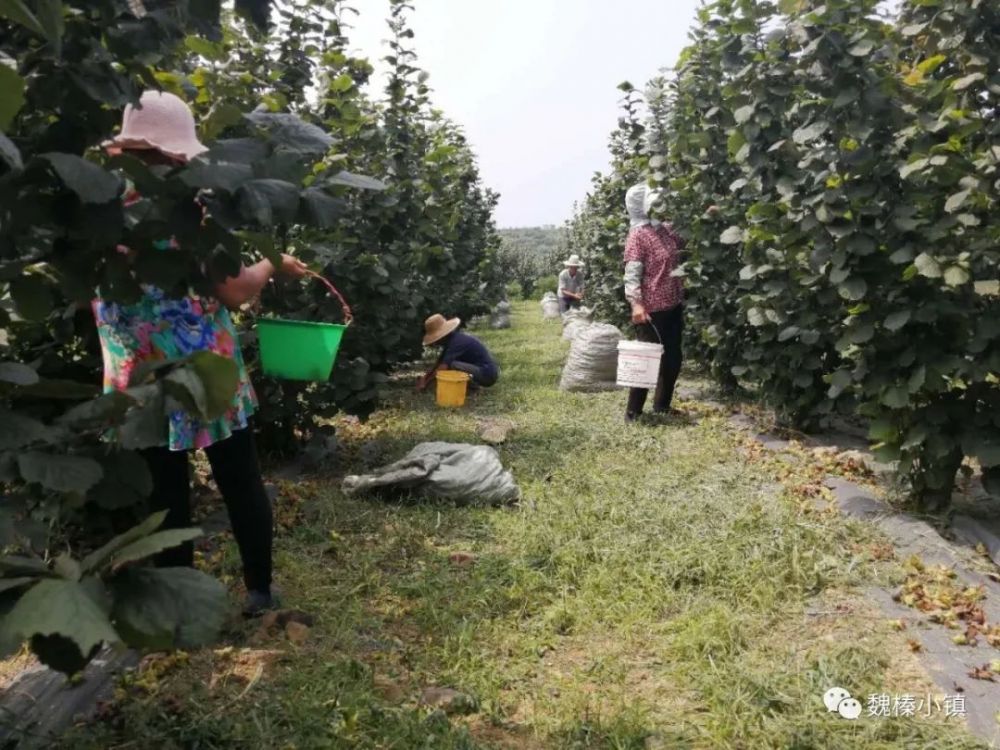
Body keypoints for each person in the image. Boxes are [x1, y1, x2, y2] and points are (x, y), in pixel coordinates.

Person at [95, 91, 309, 616]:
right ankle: (258, 592)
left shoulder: (96, 208)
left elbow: (87, 291)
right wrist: (273, 264)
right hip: (202, 369)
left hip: (136, 373)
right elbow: (234, 290)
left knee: (163, 496)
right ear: (175, 154)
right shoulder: (192, 208)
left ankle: (177, 609)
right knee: (238, 478)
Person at [622, 183, 685, 424]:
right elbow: (632, 273)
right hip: (650, 310)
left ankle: (662, 406)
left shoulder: (664, 230)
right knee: (645, 361)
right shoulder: (638, 235)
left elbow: (688, 232)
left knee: (673, 359)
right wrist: (636, 304)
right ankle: (633, 414)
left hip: (673, 304)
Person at [415, 314, 499, 391]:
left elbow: (442, 368)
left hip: (487, 374)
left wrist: (425, 384)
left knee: (453, 365)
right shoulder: (451, 340)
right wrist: (425, 377)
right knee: (450, 365)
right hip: (482, 370)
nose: (435, 343)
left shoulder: (457, 342)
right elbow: (439, 362)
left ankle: (473, 388)